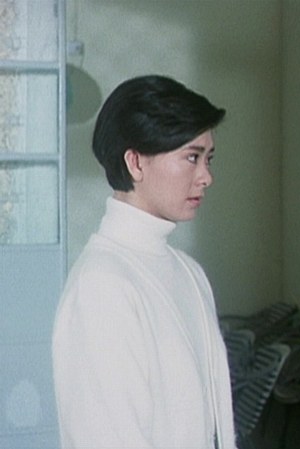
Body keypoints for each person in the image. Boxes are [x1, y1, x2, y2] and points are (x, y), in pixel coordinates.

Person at [52, 75, 236, 448]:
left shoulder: (190, 272)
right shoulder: (102, 285)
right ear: (135, 162)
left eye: (209, 158)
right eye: (192, 157)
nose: (206, 177)